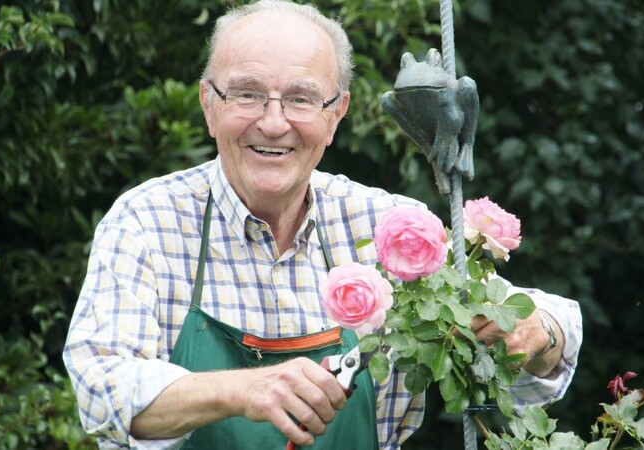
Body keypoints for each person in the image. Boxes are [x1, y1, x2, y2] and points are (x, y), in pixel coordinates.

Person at [62, 1, 583, 449]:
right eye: (246, 94)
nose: (272, 121)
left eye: (301, 99)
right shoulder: (145, 222)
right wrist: (244, 391)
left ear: (337, 116)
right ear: (207, 105)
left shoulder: (389, 229)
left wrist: (536, 334)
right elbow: (102, 385)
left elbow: (551, 337)